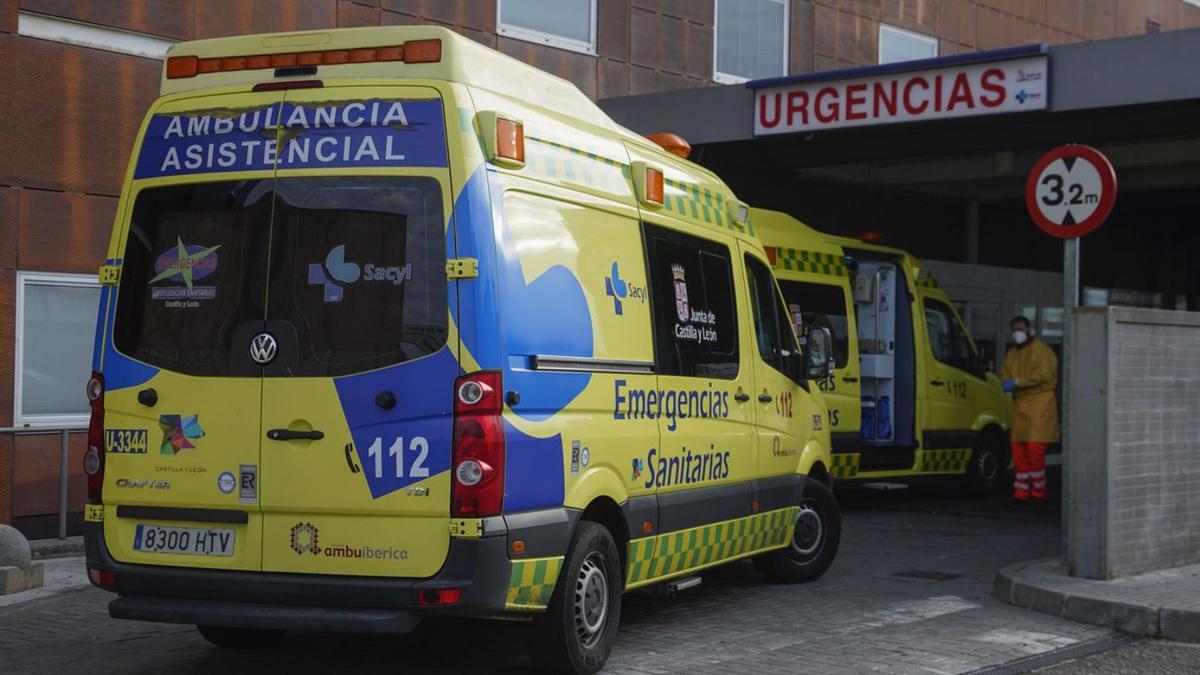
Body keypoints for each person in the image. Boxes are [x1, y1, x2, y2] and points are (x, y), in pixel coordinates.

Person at [1001, 316, 1059, 503]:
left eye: (1020, 328)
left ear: (1029, 329)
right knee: (1018, 449)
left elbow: (1043, 375)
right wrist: (1007, 383)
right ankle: (1022, 492)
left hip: (1041, 402)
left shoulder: (1042, 351)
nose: (1017, 332)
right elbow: (1006, 374)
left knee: (1034, 448)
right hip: (1021, 404)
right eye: (1014, 329)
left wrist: (1017, 382)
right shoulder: (1012, 354)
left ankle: (1038, 492)